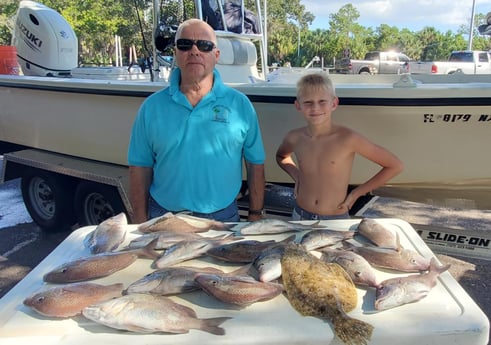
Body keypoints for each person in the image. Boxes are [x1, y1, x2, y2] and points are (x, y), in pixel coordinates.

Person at [128, 18, 265, 224]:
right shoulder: (151, 107)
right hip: (164, 218)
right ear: (175, 52)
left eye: (204, 45)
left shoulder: (241, 105)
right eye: (185, 45)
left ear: (216, 55)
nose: (195, 51)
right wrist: (139, 222)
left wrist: (255, 214)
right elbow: (140, 168)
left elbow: (255, 164)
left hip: (223, 218)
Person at [276, 73, 403, 221]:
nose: (315, 108)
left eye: (322, 101)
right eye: (308, 102)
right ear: (298, 105)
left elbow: (395, 165)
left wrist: (357, 193)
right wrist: (297, 176)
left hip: (335, 219)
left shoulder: (348, 138)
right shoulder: (294, 137)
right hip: (300, 214)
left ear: (334, 103)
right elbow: (281, 156)